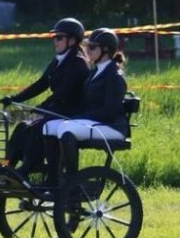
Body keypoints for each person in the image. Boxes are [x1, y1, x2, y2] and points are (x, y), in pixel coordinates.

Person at [0, 17, 90, 179]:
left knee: (36, 128)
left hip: (68, 112)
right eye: (54, 37)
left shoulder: (78, 63)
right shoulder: (58, 60)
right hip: (56, 109)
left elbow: (64, 93)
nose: (55, 41)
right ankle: (5, 166)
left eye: (59, 37)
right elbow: (41, 84)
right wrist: (15, 98)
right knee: (21, 128)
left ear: (72, 40)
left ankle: (28, 166)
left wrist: (42, 107)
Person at [42, 27, 129, 182]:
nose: (88, 50)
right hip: (93, 122)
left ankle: (71, 181)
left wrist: (77, 117)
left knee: (66, 128)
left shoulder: (115, 76)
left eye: (92, 47)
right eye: (88, 46)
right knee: (49, 126)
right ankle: (53, 178)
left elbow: (109, 111)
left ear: (106, 50)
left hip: (111, 126)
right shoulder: (94, 72)